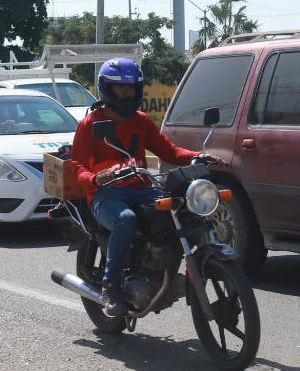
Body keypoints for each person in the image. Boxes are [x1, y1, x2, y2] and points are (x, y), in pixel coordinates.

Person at [69, 57, 201, 317]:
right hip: (106, 194)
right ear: (107, 89)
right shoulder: (90, 124)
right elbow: (76, 165)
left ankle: (162, 268)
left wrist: (198, 156)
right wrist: (95, 179)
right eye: (121, 88)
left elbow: (169, 151)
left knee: (182, 210)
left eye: (131, 88)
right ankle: (111, 287)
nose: (127, 93)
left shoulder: (140, 120)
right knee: (126, 219)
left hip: (141, 187)